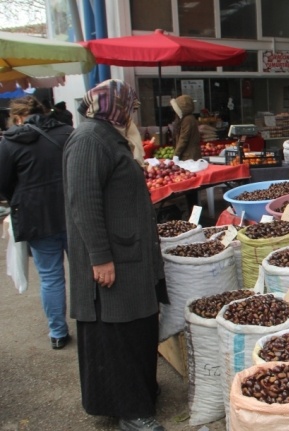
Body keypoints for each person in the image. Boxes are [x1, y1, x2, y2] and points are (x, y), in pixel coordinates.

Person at [63, 79, 168, 431]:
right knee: (116, 333)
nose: (133, 112)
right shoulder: (89, 139)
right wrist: (100, 257)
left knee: (136, 329)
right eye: (130, 106)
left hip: (130, 254)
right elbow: (84, 204)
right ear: (114, 105)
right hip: (114, 259)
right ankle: (130, 410)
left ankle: (140, 393)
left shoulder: (108, 135)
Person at [0, 95, 73, 349]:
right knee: (85, 270)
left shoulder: (10, 142)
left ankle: (58, 333)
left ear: (18, 118)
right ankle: (93, 324)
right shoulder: (66, 132)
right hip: (73, 211)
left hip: (36, 217)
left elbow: (3, 184)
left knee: (51, 277)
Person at [170, 94, 201, 161]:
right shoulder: (188, 118)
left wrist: (176, 154)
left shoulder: (187, 120)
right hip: (190, 154)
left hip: (189, 156)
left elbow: (184, 138)